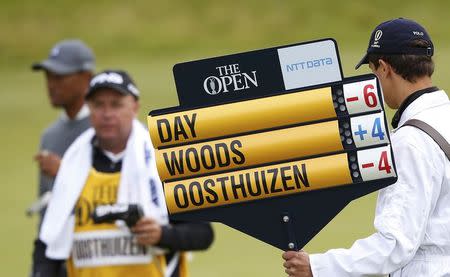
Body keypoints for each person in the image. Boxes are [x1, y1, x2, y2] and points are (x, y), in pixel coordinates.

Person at [282, 18, 450, 276]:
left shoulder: (410, 141)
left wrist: (317, 267)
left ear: (384, 68)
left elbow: (394, 246)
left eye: (373, 71)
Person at [36, 70, 213, 277]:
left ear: (134, 107)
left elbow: (202, 233)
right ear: (89, 109)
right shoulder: (72, 168)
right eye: (98, 104)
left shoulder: (163, 165)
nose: (107, 113)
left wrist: (162, 235)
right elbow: (48, 242)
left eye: (116, 104)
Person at [30, 39, 95, 277]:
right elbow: (48, 211)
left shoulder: (106, 129)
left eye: (60, 77)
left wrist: (64, 172)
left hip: (93, 258)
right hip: (55, 262)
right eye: (48, 77)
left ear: (87, 78)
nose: (51, 85)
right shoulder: (50, 135)